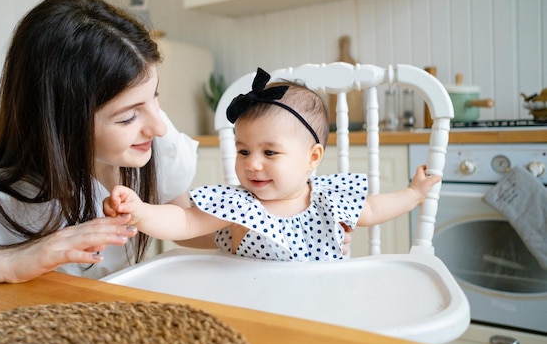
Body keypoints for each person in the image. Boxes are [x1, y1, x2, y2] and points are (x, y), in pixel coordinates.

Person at [0, 0, 205, 293]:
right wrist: (15, 261)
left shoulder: (151, 145)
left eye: (155, 98)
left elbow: (185, 224)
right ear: (62, 123)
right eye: (127, 118)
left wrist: (246, 219)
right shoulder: (1, 202)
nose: (159, 127)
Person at [104, 68, 441, 261]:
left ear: (312, 158)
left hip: (322, 304)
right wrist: (141, 212)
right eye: (243, 151)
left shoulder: (328, 199)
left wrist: (413, 194)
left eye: (270, 153)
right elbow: (184, 222)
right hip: (255, 308)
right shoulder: (237, 203)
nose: (253, 165)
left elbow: (374, 209)